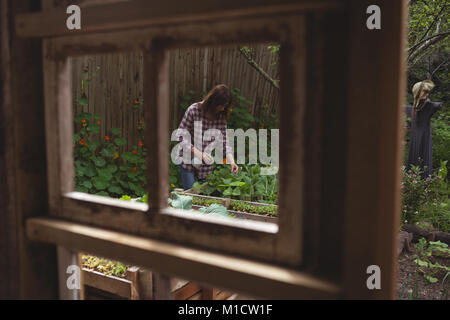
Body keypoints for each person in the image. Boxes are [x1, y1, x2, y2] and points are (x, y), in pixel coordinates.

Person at [176, 84, 238, 190]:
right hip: (187, 159)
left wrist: (232, 161)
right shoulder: (194, 110)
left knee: (204, 196)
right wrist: (199, 153)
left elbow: (224, 142)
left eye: (225, 106)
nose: (223, 108)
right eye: (221, 105)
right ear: (213, 101)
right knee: (191, 194)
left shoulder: (221, 117)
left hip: (205, 165)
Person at [406, 80, 443, 177]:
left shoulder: (428, 106)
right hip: (415, 137)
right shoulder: (414, 108)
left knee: (424, 158)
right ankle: (412, 181)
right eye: (425, 92)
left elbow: (437, 105)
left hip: (425, 138)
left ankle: (424, 183)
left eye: (428, 92)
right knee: (414, 158)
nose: (427, 94)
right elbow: (407, 108)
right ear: (418, 92)